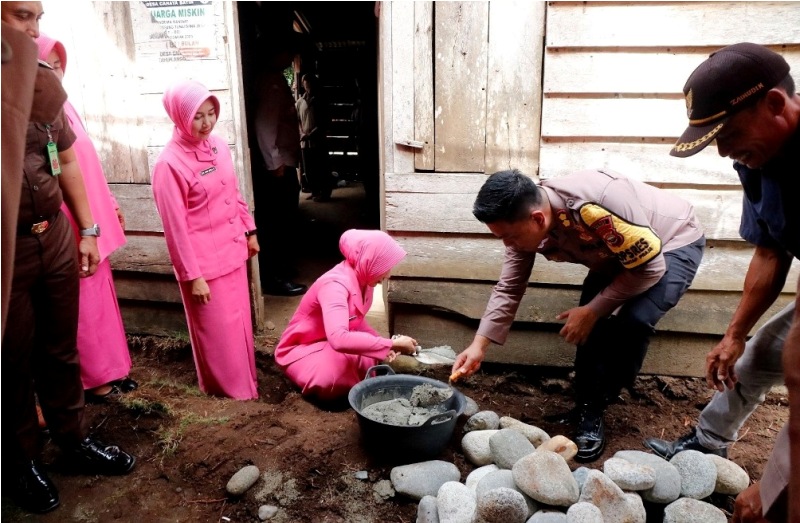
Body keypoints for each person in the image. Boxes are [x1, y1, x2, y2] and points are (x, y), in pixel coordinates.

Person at [641, 42, 799, 522]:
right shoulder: (760, 160)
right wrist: (734, 334)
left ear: (775, 104)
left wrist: (773, 487)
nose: (725, 150)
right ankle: (709, 443)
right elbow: (771, 249)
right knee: (766, 348)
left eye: (727, 132)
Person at [451, 168, 706, 462]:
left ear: (537, 219)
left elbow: (650, 268)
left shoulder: (598, 205)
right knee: (588, 325)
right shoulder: (523, 222)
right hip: (616, 253)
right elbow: (509, 287)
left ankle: (605, 396)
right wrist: (478, 345)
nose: (507, 245)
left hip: (670, 244)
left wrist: (594, 310)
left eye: (508, 237)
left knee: (632, 321)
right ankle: (588, 405)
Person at [1, 1, 135, 514]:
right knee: (11, 360)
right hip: (5, 247)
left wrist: (89, 230)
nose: (35, 28)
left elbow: (67, 158)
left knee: (60, 347)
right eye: (21, 16)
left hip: (52, 234)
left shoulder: (41, 82)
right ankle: (20, 462)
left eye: (37, 16)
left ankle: (73, 440)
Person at [36, 33, 137, 402]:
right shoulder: (39, 114)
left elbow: (88, 162)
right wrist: (81, 226)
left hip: (93, 215)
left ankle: (115, 368)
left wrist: (109, 201)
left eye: (60, 64)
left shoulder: (66, 107)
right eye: (48, 64)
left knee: (103, 295)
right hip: (72, 218)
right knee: (83, 301)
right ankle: (94, 379)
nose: (56, 71)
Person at [151, 80, 260, 400]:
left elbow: (233, 192)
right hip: (204, 268)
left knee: (239, 325)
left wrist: (249, 231)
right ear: (179, 116)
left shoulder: (219, 146)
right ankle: (230, 396)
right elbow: (175, 228)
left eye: (212, 113)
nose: (207, 122)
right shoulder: (169, 164)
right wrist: (192, 276)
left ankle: (248, 386)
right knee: (218, 335)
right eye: (198, 116)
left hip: (232, 252)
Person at [275, 229, 419, 402]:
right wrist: (390, 343)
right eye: (384, 267)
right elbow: (338, 338)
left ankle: (354, 387)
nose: (388, 274)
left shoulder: (365, 281)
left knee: (368, 356)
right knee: (332, 376)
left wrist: (384, 345)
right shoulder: (334, 285)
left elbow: (356, 322)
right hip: (303, 349)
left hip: (328, 343)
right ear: (369, 261)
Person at [251, 36, 307, 297]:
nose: (290, 56)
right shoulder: (271, 81)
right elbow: (265, 126)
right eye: (288, 51)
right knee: (276, 223)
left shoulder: (272, 77)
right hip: (278, 165)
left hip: (282, 161)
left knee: (283, 221)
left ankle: (280, 270)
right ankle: (274, 278)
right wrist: (274, 163)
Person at [296, 72, 333, 202]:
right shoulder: (300, 102)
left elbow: (326, 121)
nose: (308, 87)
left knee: (322, 168)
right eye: (306, 84)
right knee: (309, 169)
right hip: (305, 142)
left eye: (310, 84)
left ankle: (325, 193)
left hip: (319, 140)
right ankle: (315, 191)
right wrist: (301, 133)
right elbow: (297, 120)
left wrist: (311, 134)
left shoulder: (321, 100)